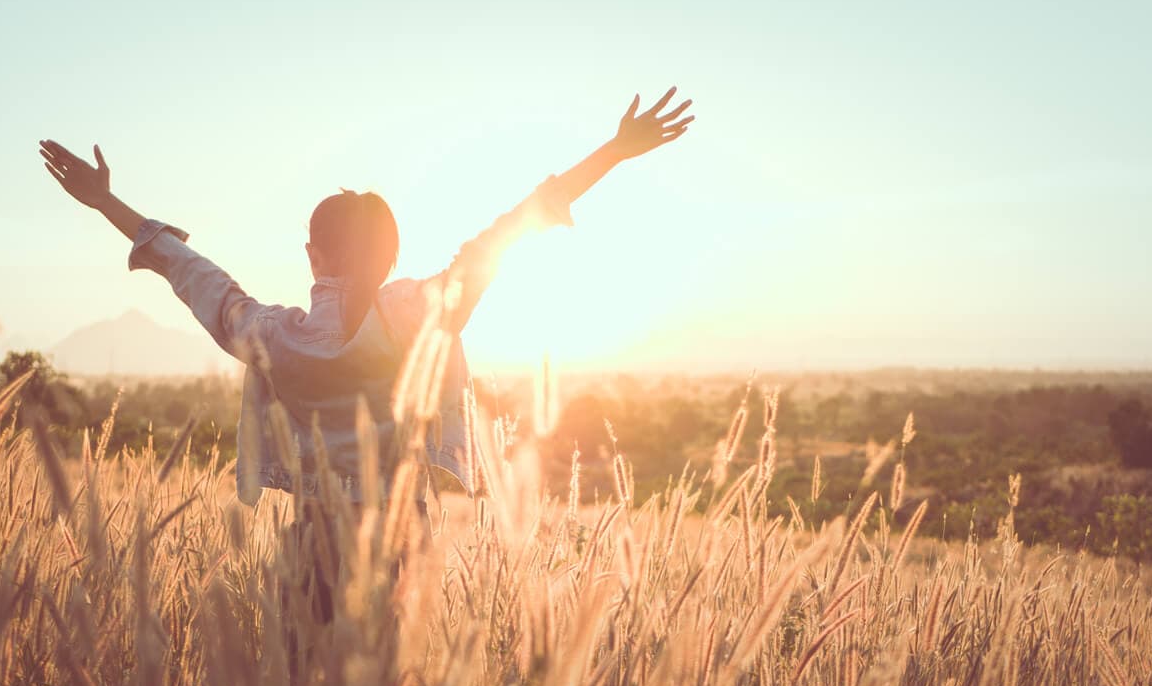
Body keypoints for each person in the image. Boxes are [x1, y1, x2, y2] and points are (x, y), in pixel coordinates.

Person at [37, 88, 693, 515]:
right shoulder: (418, 315)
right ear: (390, 256)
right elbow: (513, 227)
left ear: (314, 257)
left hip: (312, 560)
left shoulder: (274, 337)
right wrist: (612, 151)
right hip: (399, 560)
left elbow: (192, 273)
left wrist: (105, 202)